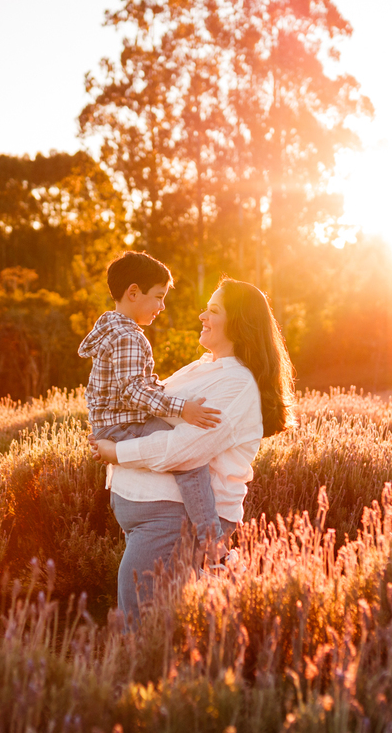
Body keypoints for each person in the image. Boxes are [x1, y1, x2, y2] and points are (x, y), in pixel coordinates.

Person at [93, 278, 295, 623]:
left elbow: (184, 450)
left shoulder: (237, 383)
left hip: (174, 522)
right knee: (150, 625)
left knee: (144, 631)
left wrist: (117, 453)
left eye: (213, 310)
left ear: (240, 323)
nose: (202, 315)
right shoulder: (203, 366)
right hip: (157, 520)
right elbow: (150, 407)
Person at [78, 251, 225, 553]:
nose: (162, 306)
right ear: (134, 292)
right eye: (158, 297)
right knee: (190, 457)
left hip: (115, 424)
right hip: (125, 424)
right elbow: (133, 392)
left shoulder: (113, 330)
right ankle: (213, 542)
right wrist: (183, 408)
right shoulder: (129, 337)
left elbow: (132, 386)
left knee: (186, 444)